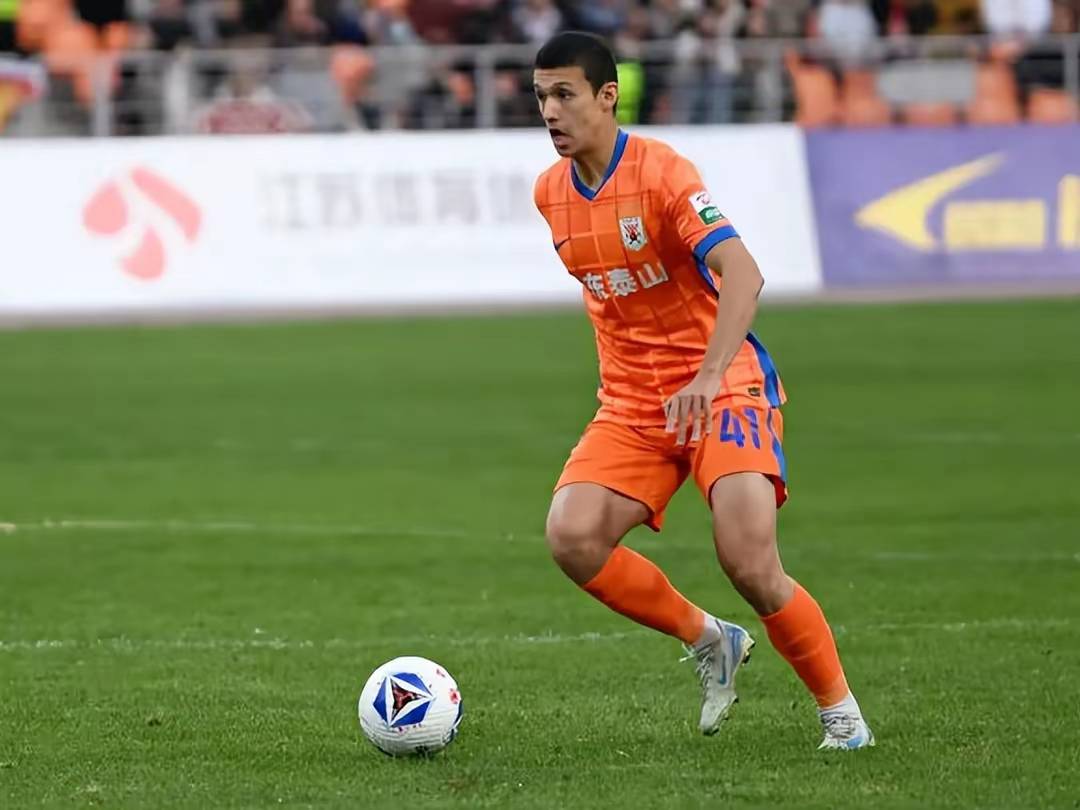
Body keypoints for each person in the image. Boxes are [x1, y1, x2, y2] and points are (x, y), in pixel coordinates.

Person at [531, 31, 873, 751]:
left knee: (748, 560)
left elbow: (743, 273)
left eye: (564, 94)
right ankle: (710, 638)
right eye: (541, 97)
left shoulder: (662, 174)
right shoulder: (550, 193)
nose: (551, 112)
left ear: (606, 96)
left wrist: (708, 376)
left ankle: (842, 716)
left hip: (724, 386)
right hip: (634, 403)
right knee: (572, 537)